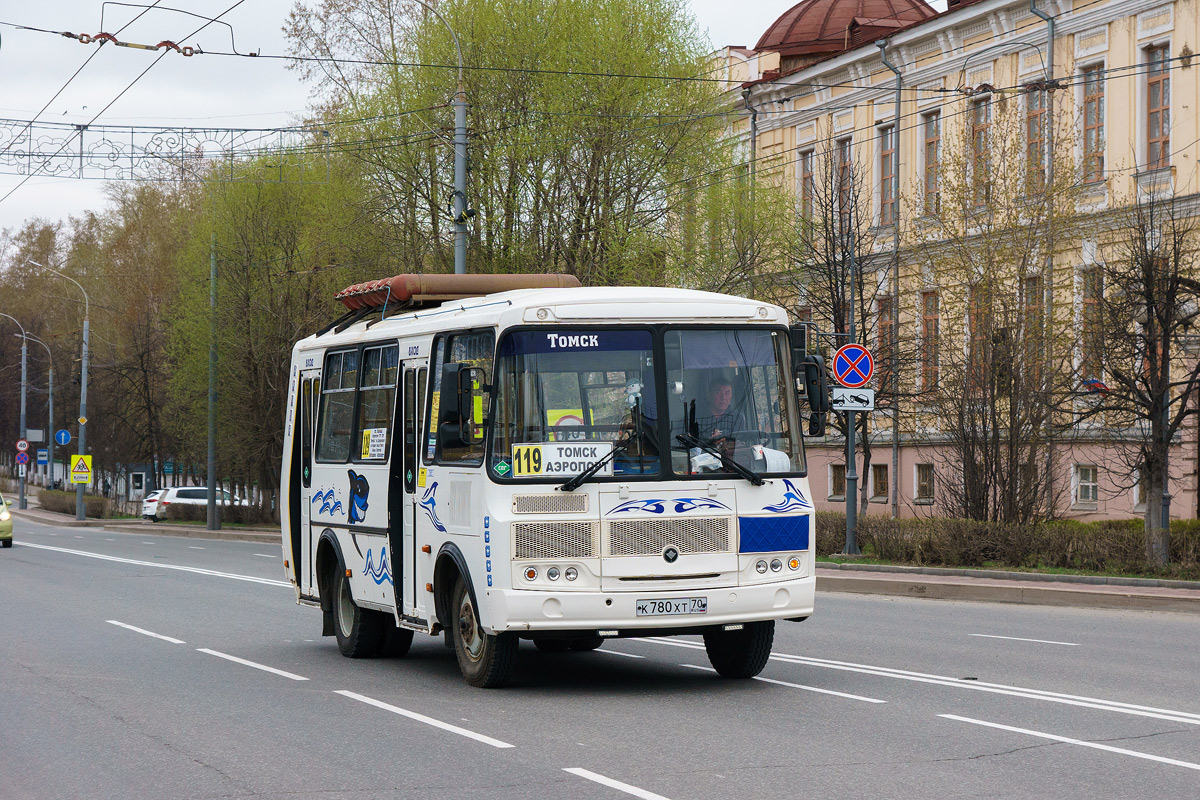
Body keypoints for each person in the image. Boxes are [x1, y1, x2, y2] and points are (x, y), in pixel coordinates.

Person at [691, 377, 746, 450]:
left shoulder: (738, 418)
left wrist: (724, 441)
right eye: (718, 393)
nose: (723, 397)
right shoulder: (695, 417)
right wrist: (710, 441)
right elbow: (690, 445)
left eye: (727, 393)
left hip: (730, 459)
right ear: (710, 395)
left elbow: (743, 444)